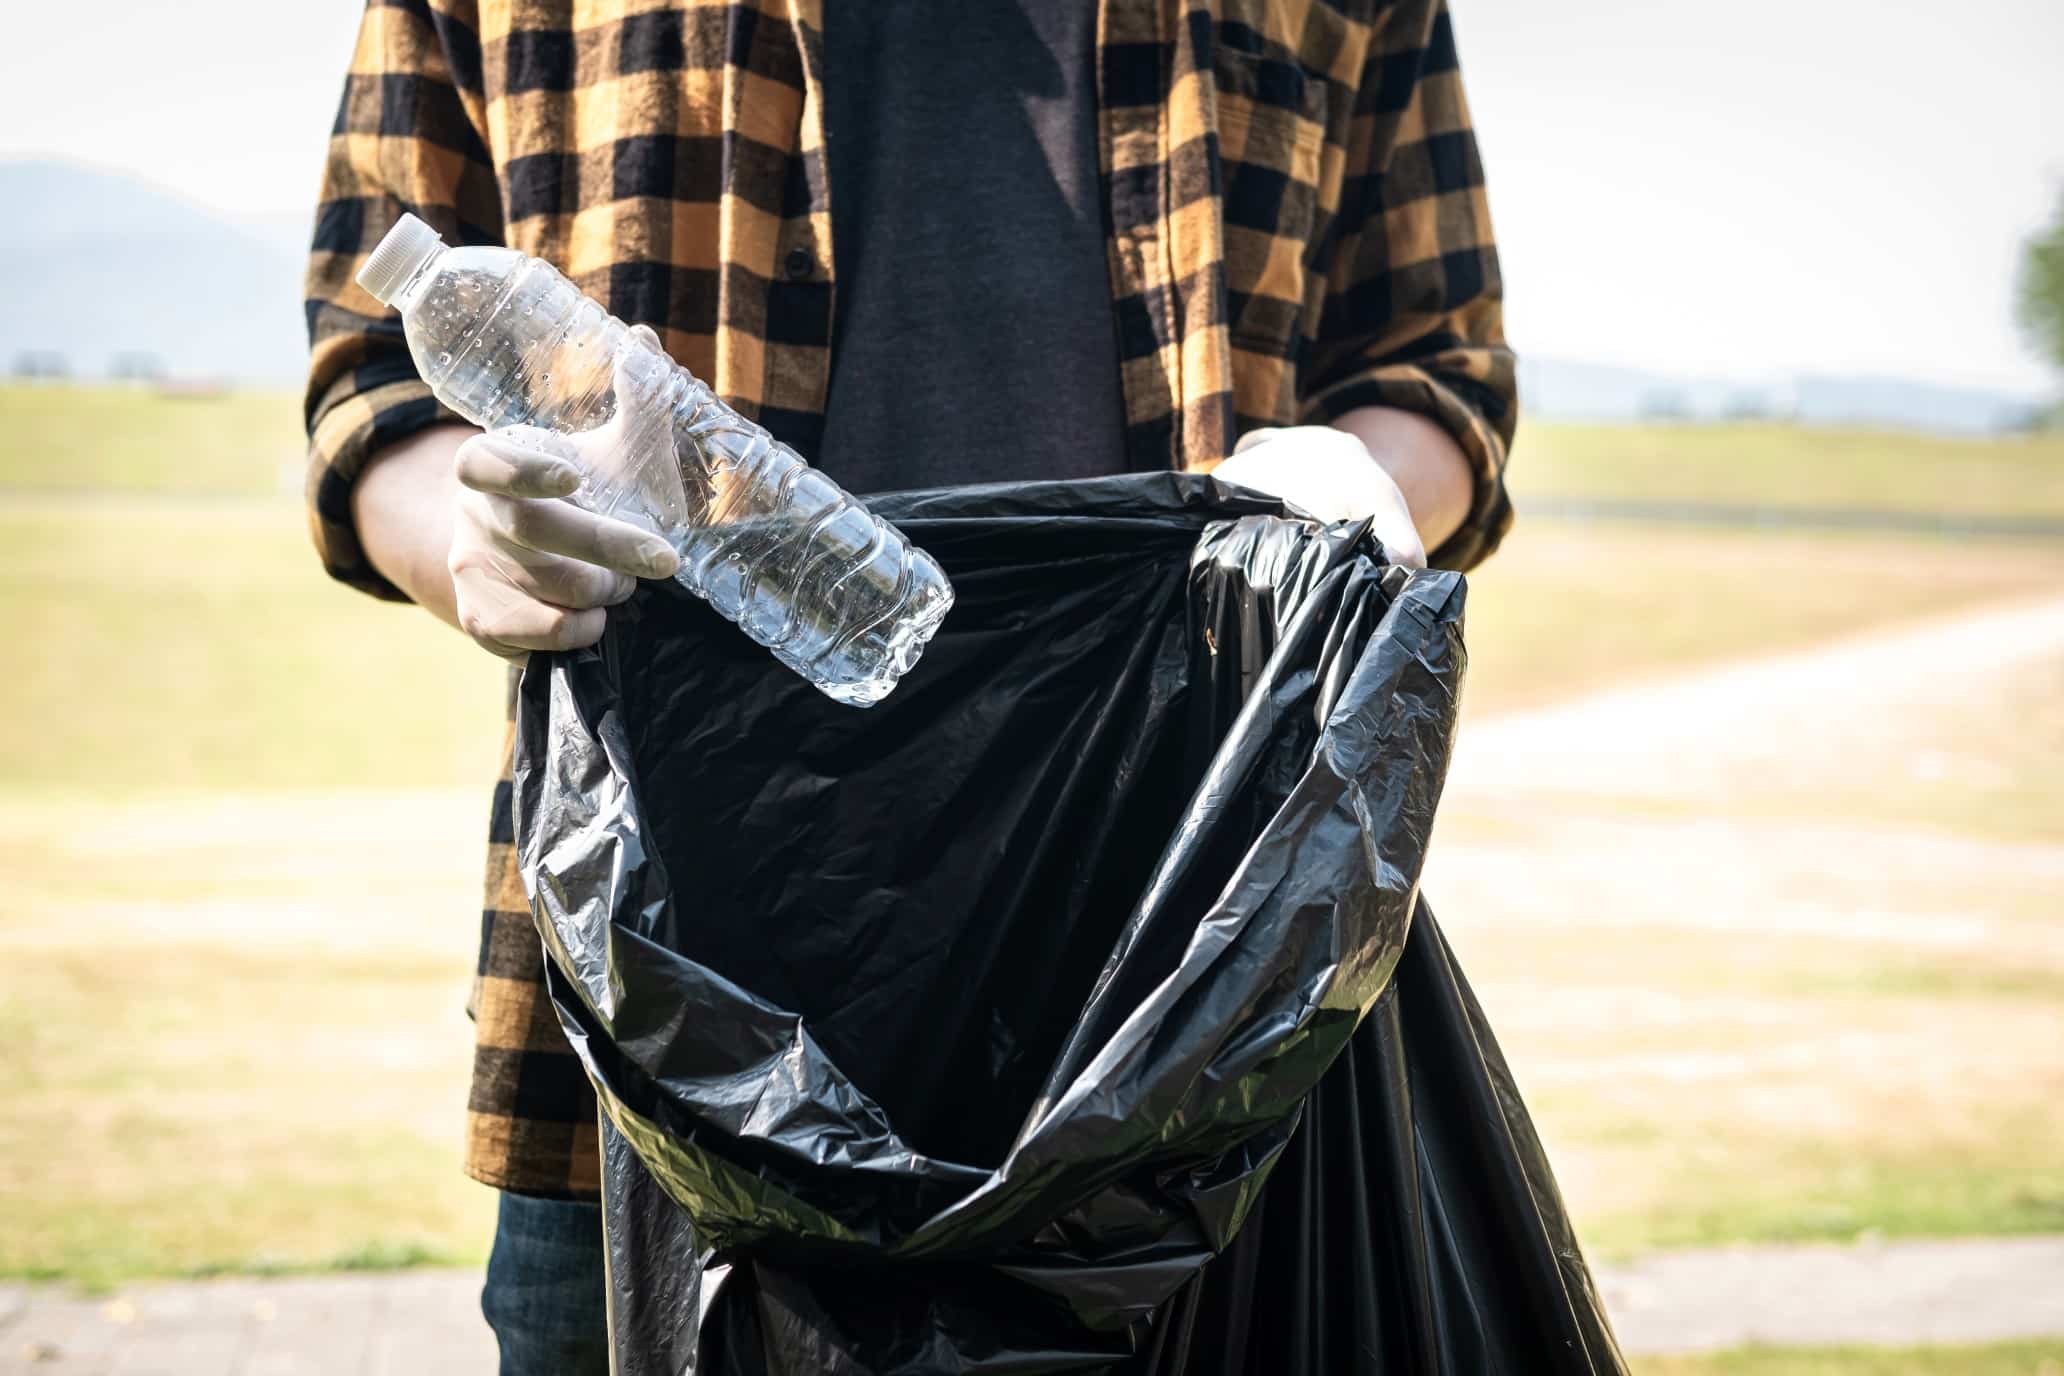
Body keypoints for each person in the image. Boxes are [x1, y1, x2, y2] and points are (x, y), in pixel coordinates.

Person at [304, 1, 1513, 1369]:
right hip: (672, 1002)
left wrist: (1354, 481)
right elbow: (367, 390)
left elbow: (1439, 368)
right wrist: (472, 539)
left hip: (1194, 991)